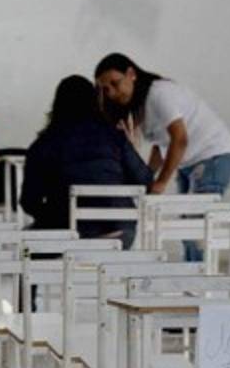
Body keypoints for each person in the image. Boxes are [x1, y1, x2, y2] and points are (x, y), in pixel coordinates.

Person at [94, 53, 230, 260]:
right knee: (189, 225)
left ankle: (198, 274)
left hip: (214, 155)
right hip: (191, 162)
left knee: (194, 224)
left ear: (131, 74)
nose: (113, 93)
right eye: (106, 89)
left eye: (115, 83)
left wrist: (161, 182)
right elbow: (161, 145)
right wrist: (148, 177)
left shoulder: (159, 93)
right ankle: (194, 272)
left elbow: (180, 139)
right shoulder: (141, 105)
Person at [20, 75, 152, 249]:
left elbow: (29, 202)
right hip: (120, 233)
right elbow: (145, 181)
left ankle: (25, 266)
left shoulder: (44, 144)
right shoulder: (116, 138)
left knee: (24, 247)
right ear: (95, 103)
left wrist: (54, 215)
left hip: (67, 235)